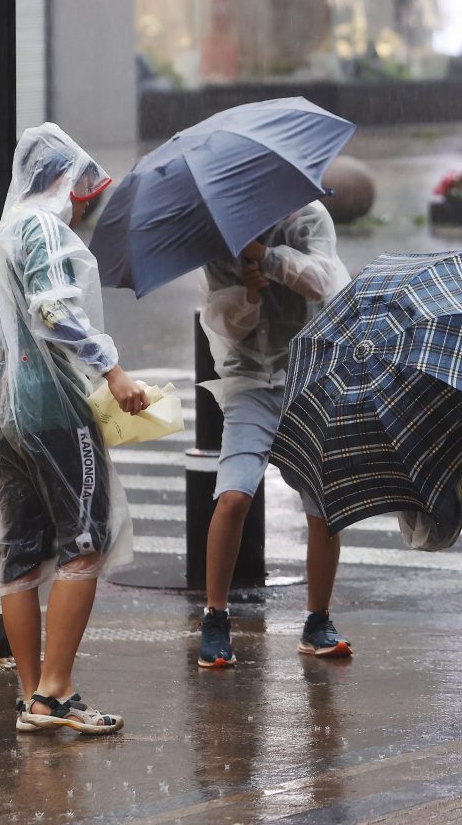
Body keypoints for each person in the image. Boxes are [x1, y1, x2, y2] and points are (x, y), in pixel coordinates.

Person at [0, 124, 148, 734]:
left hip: (2, 411)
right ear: (60, 178)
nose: (80, 199)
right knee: (84, 536)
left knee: (21, 547)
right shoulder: (41, 231)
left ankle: (31, 692)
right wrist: (113, 373)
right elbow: (55, 310)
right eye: (76, 184)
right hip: (51, 406)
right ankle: (56, 694)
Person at [196, 202, 351, 668]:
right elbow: (220, 322)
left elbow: (328, 282)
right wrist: (247, 295)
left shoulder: (307, 218)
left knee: (322, 506)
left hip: (310, 375)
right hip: (249, 382)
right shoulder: (218, 235)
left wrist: (267, 257)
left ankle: (317, 620)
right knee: (235, 496)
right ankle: (215, 617)